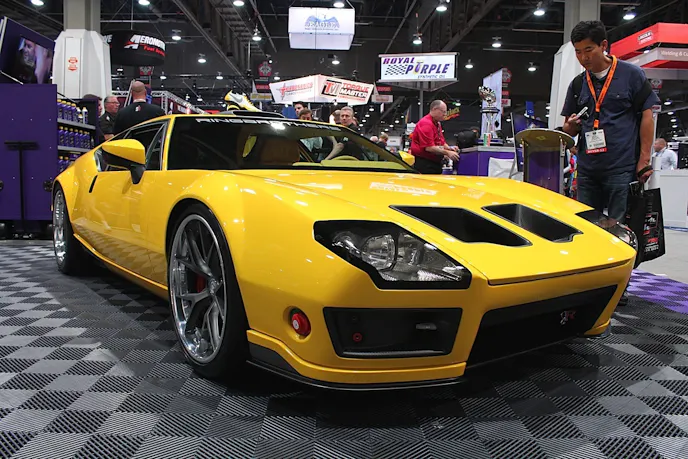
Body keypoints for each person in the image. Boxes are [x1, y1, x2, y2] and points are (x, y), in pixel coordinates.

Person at [560, 20, 659, 223]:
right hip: (588, 170)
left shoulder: (631, 75)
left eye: (589, 50)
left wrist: (644, 159)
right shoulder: (578, 84)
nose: (584, 57)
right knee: (586, 226)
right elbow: (568, 128)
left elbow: (647, 117)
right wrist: (570, 127)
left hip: (621, 167)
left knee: (619, 226)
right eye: (578, 52)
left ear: (603, 45)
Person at [409, 100, 460, 174]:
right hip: (425, 164)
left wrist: (449, 148)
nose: (445, 114)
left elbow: (442, 142)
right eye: (443, 112)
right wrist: (448, 153)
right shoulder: (426, 124)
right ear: (435, 109)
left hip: (435, 162)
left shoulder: (437, 124)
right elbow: (429, 148)